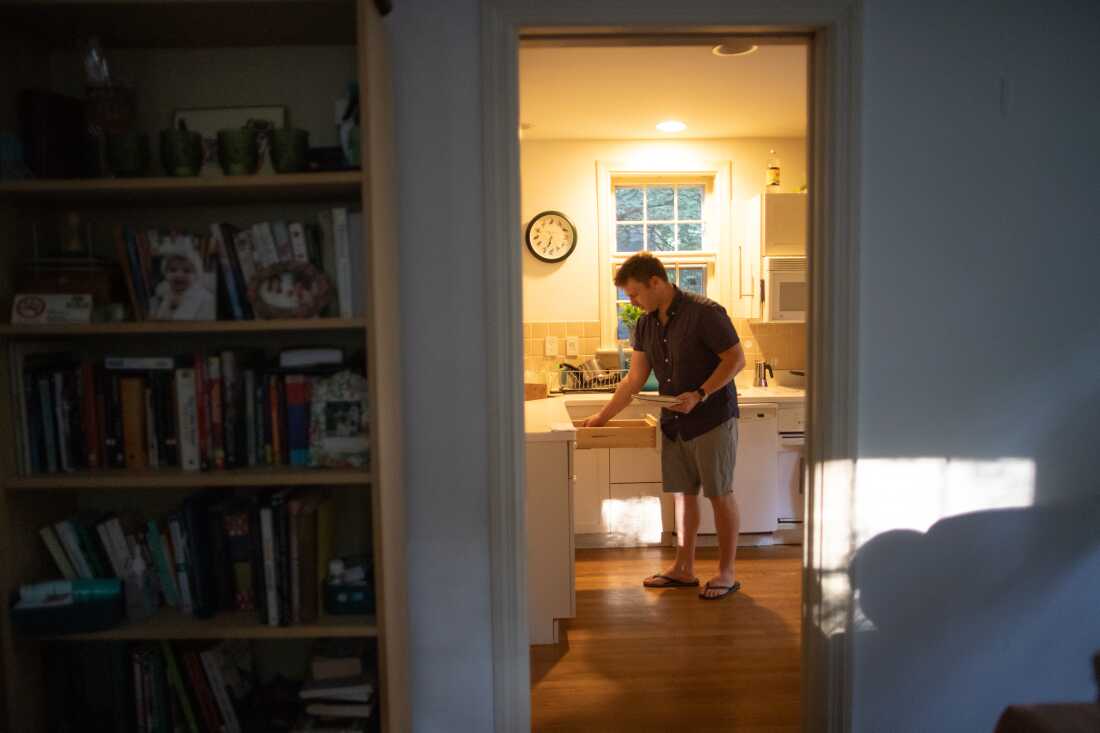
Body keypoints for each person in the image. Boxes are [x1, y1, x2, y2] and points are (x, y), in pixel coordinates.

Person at [584, 253, 746, 600]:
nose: (632, 302)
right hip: (674, 420)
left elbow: (736, 359)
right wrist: (601, 418)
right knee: (683, 496)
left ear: (656, 283)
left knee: (720, 494)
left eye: (634, 294)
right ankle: (683, 569)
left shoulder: (705, 313)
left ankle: (726, 573)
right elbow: (634, 379)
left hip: (712, 417)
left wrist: (700, 394)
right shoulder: (645, 324)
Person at [150, 242, 215, 320]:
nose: (179, 275)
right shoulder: (164, 295)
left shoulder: (205, 299)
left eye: (187, 271)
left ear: (196, 276)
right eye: (172, 270)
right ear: (165, 274)